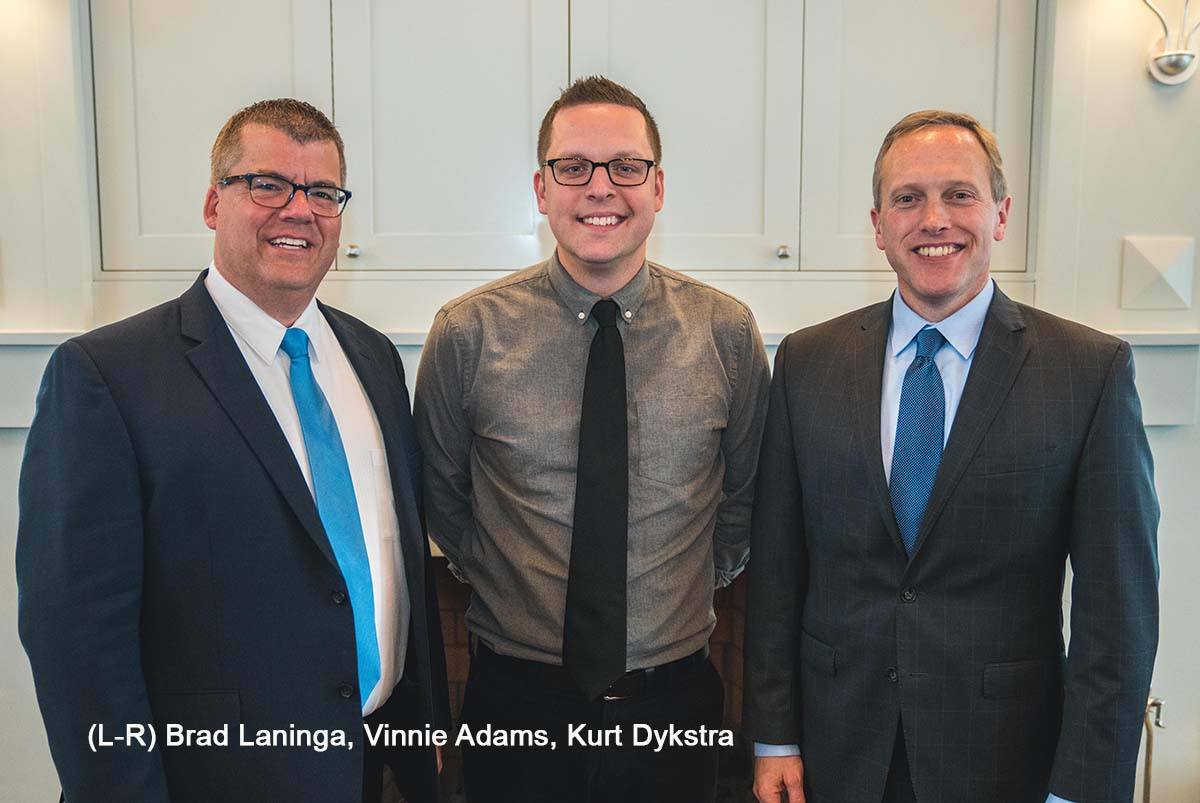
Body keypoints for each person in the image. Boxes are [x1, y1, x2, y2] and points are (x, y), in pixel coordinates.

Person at [17, 98, 449, 803]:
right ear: (215, 203)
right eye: (268, 184)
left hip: (370, 764)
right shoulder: (106, 376)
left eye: (322, 192)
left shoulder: (372, 357)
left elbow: (392, 561)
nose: (298, 210)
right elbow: (75, 640)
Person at [744, 109, 1160, 803]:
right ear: (879, 225)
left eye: (958, 194)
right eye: (908, 198)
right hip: (835, 750)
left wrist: (1083, 787)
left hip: (1006, 759)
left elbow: (1116, 618)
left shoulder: (1089, 371)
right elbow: (778, 569)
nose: (934, 218)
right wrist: (774, 735)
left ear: (1000, 213)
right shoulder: (807, 362)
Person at [414, 75, 770, 803]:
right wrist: (512, 583)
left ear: (658, 186)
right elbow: (443, 502)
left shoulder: (726, 332)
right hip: (514, 704)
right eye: (573, 167)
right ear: (542, 189)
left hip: (674, 705)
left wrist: (685, 590)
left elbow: (744, 501)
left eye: (625, 167)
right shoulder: (466, 334)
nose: (600, 187)